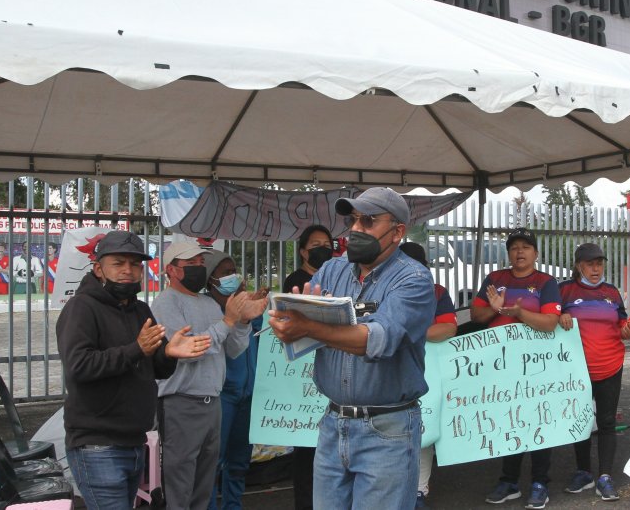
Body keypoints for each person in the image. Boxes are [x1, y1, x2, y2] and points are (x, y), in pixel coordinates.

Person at [269, 187, 433, 510]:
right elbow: (311, 334)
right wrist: (292, 327)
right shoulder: (333, 270)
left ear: (398, 231)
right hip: (333, 425)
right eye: (353, 219)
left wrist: (311, 326)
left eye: (368, 221)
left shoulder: (414, 280)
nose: (356, 229)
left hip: (387, 432)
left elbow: (377, 339)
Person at [56, 230, 212, 509]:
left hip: (133, 440)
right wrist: (135, 349)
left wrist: (169, 353)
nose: (128, 271)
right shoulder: (81, 308)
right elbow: (79, 366)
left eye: (134, 264)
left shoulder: (140, 310)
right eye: (118, 263)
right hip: (97, 445)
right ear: (98, 269)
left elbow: (157, 369)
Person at [152, 238, 267, 510]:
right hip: (181, 402)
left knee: (204, 484)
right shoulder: (165, 303)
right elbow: (191, 348)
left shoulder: (209, 305)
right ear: (172, 270)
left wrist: (243, 321)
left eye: (200, 263)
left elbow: (235, 349)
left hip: (211, 402)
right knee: (181, 485)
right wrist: (228, 321)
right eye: (190, 264)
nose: (198, 268)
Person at [468, 228, 562, 509]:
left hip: (535, 366)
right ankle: (509, 481)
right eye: (514, 247)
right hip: (501, 366)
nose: (519, 252)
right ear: (508, 253)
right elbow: (476, 316)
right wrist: (497, 309)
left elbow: (550, 323)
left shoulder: (546, 282)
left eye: (525, 247)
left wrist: (520, 313)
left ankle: (540, 482)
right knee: (508, 420)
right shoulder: (496, 279)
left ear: (536, 253)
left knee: (537, 420)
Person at [557, 243, 630, 502]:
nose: (596, 268)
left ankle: (604, 476)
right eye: (590, 263)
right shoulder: (564, 291)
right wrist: (559, 317)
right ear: (579, 265)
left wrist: (628, 329)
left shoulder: (611, 292)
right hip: (577, 369)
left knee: (606, 422)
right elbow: (549, 316)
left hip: (611, 365)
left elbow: (623, 321)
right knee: (579, 421)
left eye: (600, 263)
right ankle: (583, 473)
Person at [398, 241, 458, 510]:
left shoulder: (437, 292)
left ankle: (419, 491)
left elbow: (448, 327)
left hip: (426, 372)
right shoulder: (382, 289)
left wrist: (408, 337)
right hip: (390, 373)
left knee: (424, 431)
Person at [280, 224, 334, 510]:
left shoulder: (336, 277)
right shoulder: (297, 281)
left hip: (332, 376)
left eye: (327, 243)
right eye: (315, 245)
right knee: (307, 452)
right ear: (302, 251)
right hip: (303, 381)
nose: (323, 248)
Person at [203, 249, 262, 510]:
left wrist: (255, 309)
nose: (233, 276)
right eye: (225, 273)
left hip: (249, 395)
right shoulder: (207, 310)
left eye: (234, 270)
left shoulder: (247, 303)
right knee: (212, 462)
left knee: (239, 462)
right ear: (211, 279)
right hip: (221, 396)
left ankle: (233, 506)